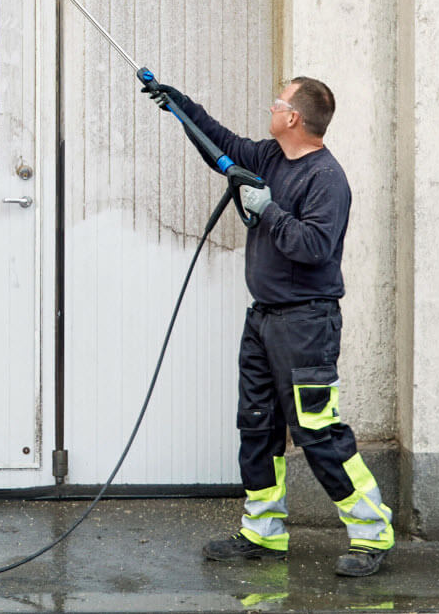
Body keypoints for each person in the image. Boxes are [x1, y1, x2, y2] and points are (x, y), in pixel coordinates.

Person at [144, 76, 394, 578]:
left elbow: (314, 247)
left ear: (294, 117)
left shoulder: (326, 179)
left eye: (278, 102)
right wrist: (178, 105)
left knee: (317, 431)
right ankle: (263, 533)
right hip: (263, 319)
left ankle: (372, 533)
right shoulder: (270, 157)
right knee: (257, 427)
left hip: (306, 324)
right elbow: (222, 144)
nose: (271, 107)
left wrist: (270, 211)